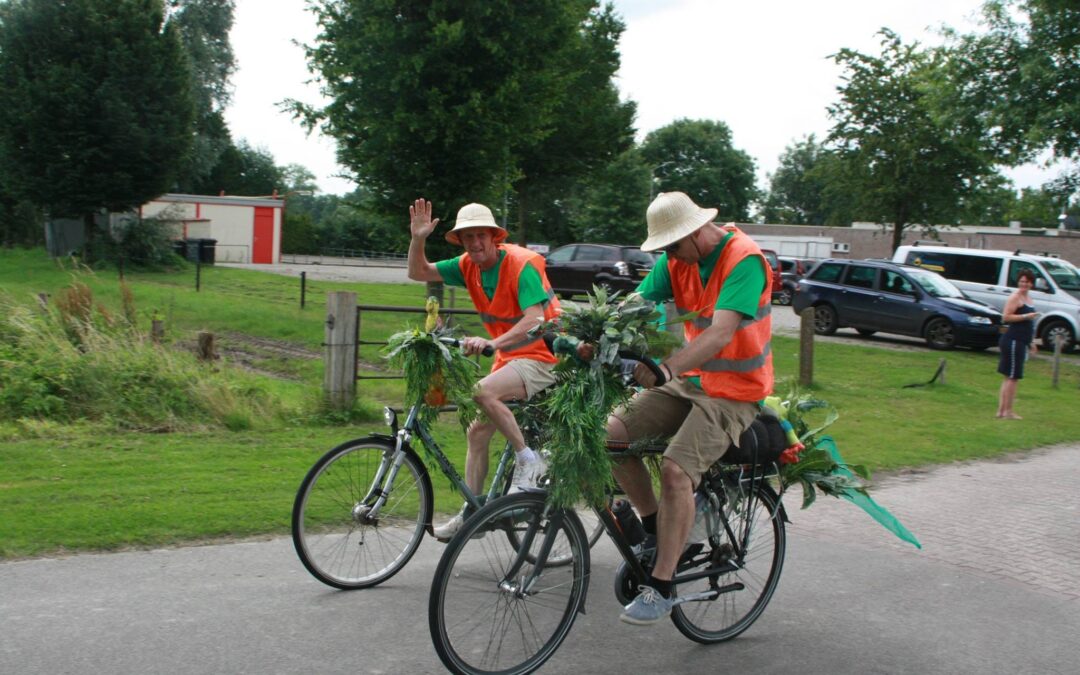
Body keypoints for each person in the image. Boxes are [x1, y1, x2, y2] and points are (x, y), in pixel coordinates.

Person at [608, 191, 774, 625]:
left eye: (673, 245)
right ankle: (653, 528)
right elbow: (637, 306)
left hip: (735, 392)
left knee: (675, 469)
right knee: (610, 436)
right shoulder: (676, 259)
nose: (668, 255)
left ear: (698, 232)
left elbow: (720, 335)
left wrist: (664, 370)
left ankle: (662, 585)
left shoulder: (744, 260)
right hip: (691, 382)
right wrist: (597, 333)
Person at [408, 198, 561, 539]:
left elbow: (536, 318)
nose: (475, 243)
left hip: (546, 354)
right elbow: (418, 272)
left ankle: (529, 460)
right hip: (512, 357)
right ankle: (474, 514)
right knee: (477, 431)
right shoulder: (467, 266)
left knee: (482, 392)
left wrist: (493, 344)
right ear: (461, 241)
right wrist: (418, 237)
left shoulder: (522, 264)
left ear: (494, 237)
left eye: (481, 236)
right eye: (468, 237)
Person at [996, 268, 1039, 420]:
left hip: (1022, 340)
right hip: (1013, 340)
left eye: (1027, 282)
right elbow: (1006, 317)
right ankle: (1007, 411)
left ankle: (1001, 411)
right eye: (1021, 281)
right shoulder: (1015, 297)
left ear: (1031, 284)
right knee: (1013, 377)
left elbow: (1029, 324)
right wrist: (1026, 315)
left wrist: (1031, 341)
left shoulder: (1028, 298)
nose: (1024, 284)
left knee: (1009, 377)